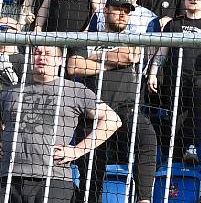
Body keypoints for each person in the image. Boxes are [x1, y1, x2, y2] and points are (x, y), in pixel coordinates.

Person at [0, 46, 121, 203]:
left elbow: (112, 119)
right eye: (37, 53)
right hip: (8, 178)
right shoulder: (11, 92)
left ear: (59, 60)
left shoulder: (75, 91)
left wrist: (78, 150)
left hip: (54, 179)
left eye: (48, 54)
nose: (41, 57)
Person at [67, 0, 157, 203]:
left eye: (126, 11)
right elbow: (74, 66)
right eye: (117, 9)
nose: (122, 14)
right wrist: (111, 62)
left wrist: (96, 59)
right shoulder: (88, 37)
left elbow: (131, 56)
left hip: (126, 108)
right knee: (92, 168)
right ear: (106, 10)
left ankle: (144, 200)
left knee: (148, 138)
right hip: (92, 110)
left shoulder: (134, 37)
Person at [147, 0, 201, 162]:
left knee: (196, 106)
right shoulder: (174, 24)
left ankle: (191, 146)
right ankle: (176, 154)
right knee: (176, 115)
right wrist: (153, 73)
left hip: (200, 78)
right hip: (175, 78)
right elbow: (162, 51)